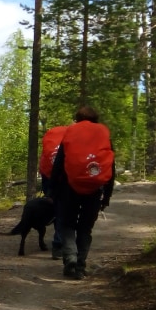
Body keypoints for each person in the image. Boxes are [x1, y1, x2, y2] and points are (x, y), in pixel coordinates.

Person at [48, 106, 115, 280]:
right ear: (96, 118)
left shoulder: (71, 131)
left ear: (77, 118)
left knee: (68, 224)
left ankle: (70, 257)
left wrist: (52, 189)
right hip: (94, 189)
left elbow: (59, 164)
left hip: (69, 187)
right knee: (85, 228)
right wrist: (107, 195)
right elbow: (110, 166)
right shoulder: (103, 132)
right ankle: (80, 267)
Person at [39, 124, 69, 259]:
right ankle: (59, 244)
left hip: (49, 176)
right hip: (66, 179)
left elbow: (43, 163)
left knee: (57, 209)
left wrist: (48, 189)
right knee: (65, 210)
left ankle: (59, 240)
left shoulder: (51, 137)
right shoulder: (72, 137)